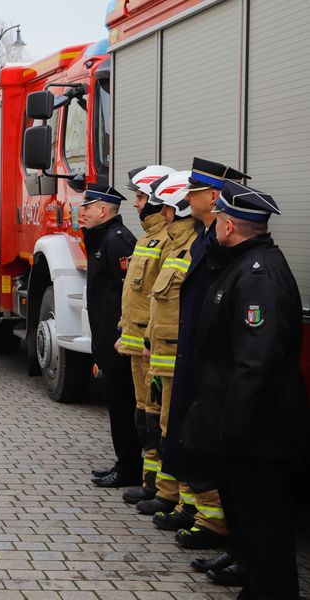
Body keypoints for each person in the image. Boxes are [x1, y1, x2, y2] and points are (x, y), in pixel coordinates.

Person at [182, 181, 309, 595]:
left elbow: (255, 361)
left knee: (264, 527)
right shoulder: (242, 265)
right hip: (241, 424)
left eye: (217, 219)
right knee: (249, 524)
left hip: (258, 429)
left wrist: (234, 427)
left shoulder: (258, 276)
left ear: (229, 226)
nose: (213, 226)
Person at [137, 172, 231, 552]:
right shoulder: (184, 245)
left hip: (183, 358)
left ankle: (204, 515)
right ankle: (185, 504)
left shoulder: (199, 247)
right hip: (167, 354)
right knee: (166, 427)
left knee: (186, 433)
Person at [116, 165, 175, 505]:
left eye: (140, 197)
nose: (136, 204)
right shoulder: (149, 239)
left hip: (155, 351)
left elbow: (160, 302)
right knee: (146, 416)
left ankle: (161, 487)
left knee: (157, 419)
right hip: (140, 347)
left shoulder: (167, 241)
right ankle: (151, 481)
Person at [80, 184, 142, 489]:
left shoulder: (117, 241)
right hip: (108, 337)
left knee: (123, 406)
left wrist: (121, 333)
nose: (82, 212)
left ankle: (130, 467)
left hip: (118, 339)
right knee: (117, 406)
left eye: (88, 207)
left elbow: (128, 294)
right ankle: (125, 463)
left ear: (103, 210)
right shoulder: (103, 238)